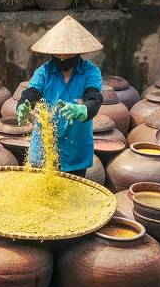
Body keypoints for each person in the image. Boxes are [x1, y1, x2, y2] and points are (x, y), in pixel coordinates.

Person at [16, 15, 104, 177]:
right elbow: (32, 92)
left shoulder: (90, 72)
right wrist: (24, 104)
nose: (62, 58)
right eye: (58, 55)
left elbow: (94, 98)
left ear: (78, 52)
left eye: (67, 54)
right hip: (44, 147)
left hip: (75, 150)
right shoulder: (44, 72)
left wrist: (82, 109)